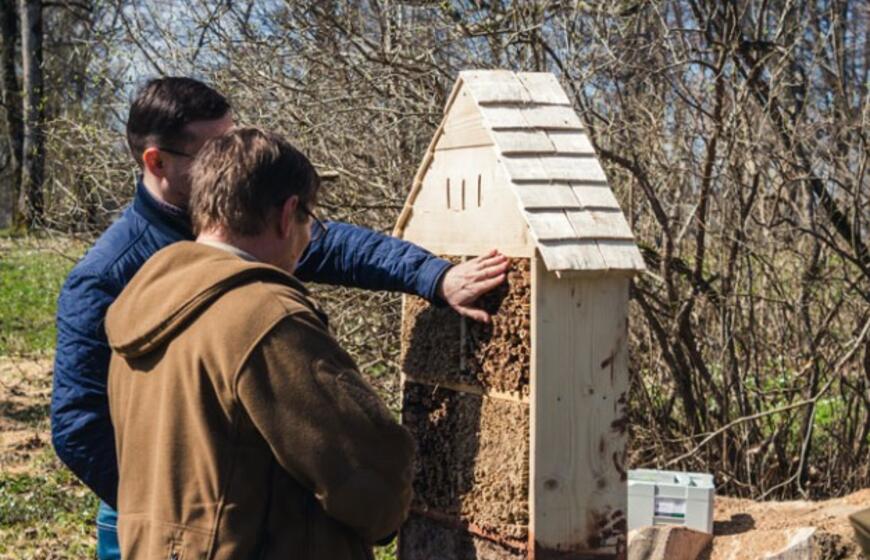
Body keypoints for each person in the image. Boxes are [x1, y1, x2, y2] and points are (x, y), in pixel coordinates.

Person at [51, 77, 508, 558]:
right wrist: (174, 509)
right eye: (213, 152)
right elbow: (79, 425)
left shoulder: (234, 240)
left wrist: (434, 277)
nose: (230, 159)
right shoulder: (110, 276)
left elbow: (334, 244)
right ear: (156, 162)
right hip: (151, 518)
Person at [104, 127, 412, 558]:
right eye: (311, 220)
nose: (308, 238)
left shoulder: (147, 298)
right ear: (288, 215)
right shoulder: (267, 317)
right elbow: (364, 472)